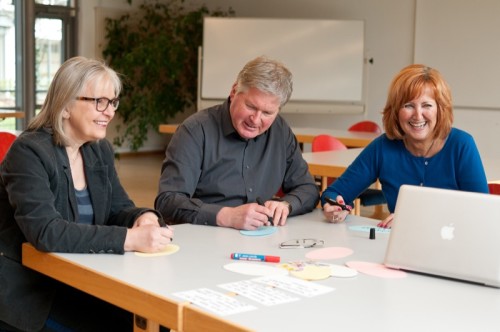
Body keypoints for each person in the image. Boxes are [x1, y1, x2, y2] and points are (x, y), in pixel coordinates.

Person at [0, 56, 174, 331]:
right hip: (36, 292)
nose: (109, 112)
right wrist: (130, 238)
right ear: (66, 105)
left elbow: (118, 208)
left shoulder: (98, 149)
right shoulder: (28, 152)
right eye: (99, 102)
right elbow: (46, 232)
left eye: (113, 102)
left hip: (84, 281)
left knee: (159, 321)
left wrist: (145, 217)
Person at [155, 56, 319, 230]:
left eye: (267, 113)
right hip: (204, 237)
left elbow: (308, 188)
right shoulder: (195, 131)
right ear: (234, 92)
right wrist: (226, 216)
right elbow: (168, 201)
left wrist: (286, 205)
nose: (256, 120)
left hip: (261, 238)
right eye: (251, 106)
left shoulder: (280, 131)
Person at [321, 64, 488, 228]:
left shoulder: (461, 145)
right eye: (408, 105)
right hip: (400, 248)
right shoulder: (382, 148)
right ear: (395, 111)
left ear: (440, 110)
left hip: (452, 246)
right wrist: (334, 206)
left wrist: (413, 220)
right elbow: (334, 193)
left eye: (427, 105)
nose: (417, 115)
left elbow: (483, 213)